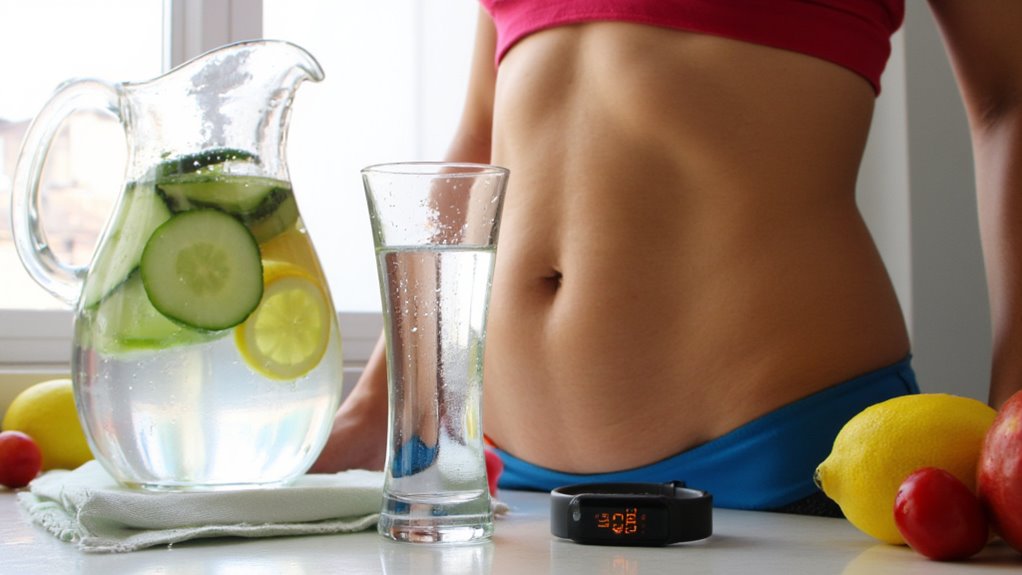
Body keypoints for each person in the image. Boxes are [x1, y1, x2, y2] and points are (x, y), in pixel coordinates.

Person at [312, 0, 1022, 514]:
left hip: (785, 460)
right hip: (505, 480)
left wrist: (1013, 423)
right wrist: (376, 410)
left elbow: (1010, 100)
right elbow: (481, 135)